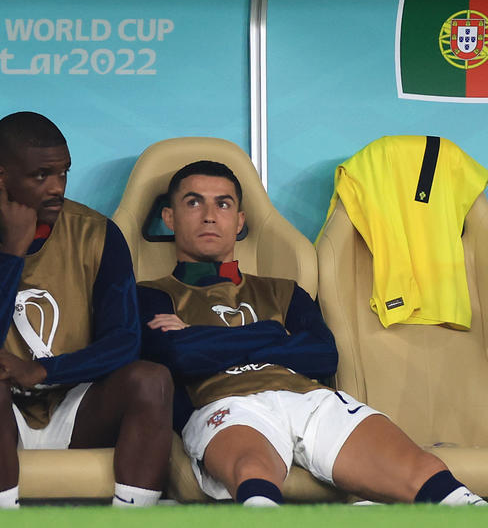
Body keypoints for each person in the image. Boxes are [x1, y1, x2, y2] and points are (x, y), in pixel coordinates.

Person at [137, 159, 486, 507]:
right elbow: (177, 358)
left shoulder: (284, 290)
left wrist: (203, 339)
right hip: (221, 401)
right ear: (169, 217)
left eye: (223, 203)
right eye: (194, 202)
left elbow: (322, 355)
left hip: (308, 399)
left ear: (240, 220)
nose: (210, 215)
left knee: (429, 474)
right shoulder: (152, 293)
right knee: (253, 472)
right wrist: (276, 333)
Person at [0, 111, 172, 508]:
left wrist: (43, 370)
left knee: (151, 379)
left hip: (74, 400)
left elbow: (124, 342)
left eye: (64, 173)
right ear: (0, 177)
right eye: (41, 176)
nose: (56, 188)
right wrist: (13, 252)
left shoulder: (98, 232)